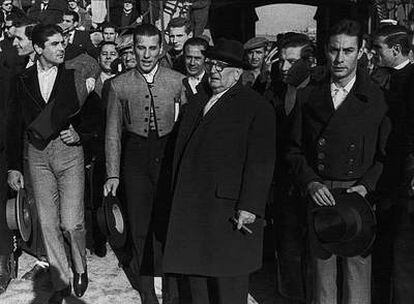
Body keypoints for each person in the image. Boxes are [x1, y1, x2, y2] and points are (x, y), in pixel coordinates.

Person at [162, 38, 276, 304]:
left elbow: (261, 162)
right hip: (194, 211)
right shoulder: (198, 101)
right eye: (211, 63)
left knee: (228, 287)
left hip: (228, 213)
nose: (214, 69)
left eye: (222, 66)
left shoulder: (255, 107)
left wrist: (249, 206)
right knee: (197, 287)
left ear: (237, 73)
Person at [285, 19, 390, 304]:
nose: (340, 58)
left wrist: (366, 187)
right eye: (334, 50)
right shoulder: (308, 97)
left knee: (358, 275)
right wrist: (310, 183)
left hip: (359, 197)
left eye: (348, 51)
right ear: (325, 51)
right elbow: (293, 150)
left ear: (361, 52)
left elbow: (385, 155)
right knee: (322, 277)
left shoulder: (377, 99)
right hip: (322, 194)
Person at [7, 24, 90, 303]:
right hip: (37, 155)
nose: (61, 47)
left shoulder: (73, 75)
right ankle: (61, 280)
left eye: (62, 42)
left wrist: (81, 133)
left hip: (69, 152)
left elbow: (95, 116)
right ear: (39, 48)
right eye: (54, 44)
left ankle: (79, 266)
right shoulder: (22, 79)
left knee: (70, 222)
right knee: (48, 221)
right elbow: (14, 124)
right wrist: (14, 166)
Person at [104, 23, 186, 304]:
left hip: (167, 155)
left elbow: (187, 129)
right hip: (135, 158)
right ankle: (148, 293)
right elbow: (113, 133)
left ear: (161, 49)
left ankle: (172, 293)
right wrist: (112, 173)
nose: (147, 54)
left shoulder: (177, 80)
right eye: (141, 48)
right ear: (133, 49)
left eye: (152, 48)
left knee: (169, 224)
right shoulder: (119, 84)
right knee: (140, 225)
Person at [372, 25, 414, 304]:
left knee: (403, 254)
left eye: (379, 49)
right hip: (383, 177)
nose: (375, 53)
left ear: (395, 50)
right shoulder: (380, 77)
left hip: (405, 178)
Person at [272, 32, 315, 304]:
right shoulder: (275, 91)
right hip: (282, 185)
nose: (285, 67)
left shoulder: (321, 93)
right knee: (287, 245)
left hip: (312, 183)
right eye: (282, 62)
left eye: (291, 62)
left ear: (308, 62)